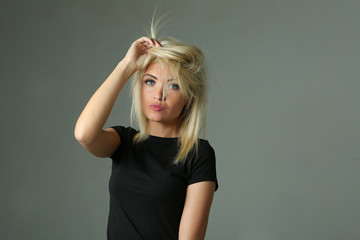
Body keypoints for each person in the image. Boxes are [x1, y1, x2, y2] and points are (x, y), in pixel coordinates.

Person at [74, 17, 218, 240]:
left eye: (173, 85)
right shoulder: (124, 141)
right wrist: (126, 66)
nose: (158, 94)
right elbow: (84, 134)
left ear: (188, 98)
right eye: (150, 81)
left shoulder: (198, 155)